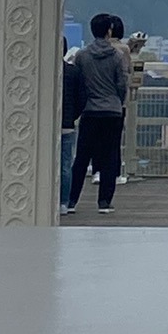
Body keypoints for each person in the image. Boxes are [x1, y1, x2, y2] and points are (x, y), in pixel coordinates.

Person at [66, 11, 131, 213]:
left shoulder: (82, 56)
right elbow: (122, 83)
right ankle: (104, 202)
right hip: (112, 110)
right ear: (109, 31)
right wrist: (117, 102)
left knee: (82, 157)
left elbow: (78, 82)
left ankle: (71, 201)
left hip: (90, 111)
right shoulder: (117, 56)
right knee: (110, 155)